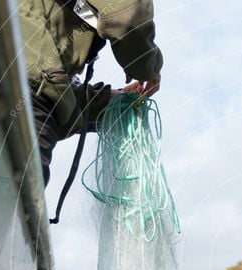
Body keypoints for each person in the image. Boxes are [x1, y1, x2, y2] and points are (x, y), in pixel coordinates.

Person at [17, 0, 162, 187]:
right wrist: (150, 67)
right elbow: (127, 19)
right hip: (22, 98)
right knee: (10, 196)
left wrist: (108, 103)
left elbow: (51, 88)